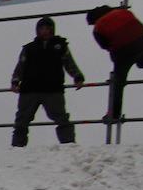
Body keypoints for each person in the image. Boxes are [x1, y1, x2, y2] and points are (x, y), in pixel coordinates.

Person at [9, 16, 86, 147]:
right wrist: (15, 82)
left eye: (47, 28)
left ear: (52, 29)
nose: (44, 31)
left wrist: (78, 77)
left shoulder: (60, 46)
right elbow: (20, 67)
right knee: (22, 119)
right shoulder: (29, 48)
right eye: (42, 29)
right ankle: (17, 147)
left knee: (61, 117)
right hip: (29, 89)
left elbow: (69, 63)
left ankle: (69, 146)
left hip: (53, 89)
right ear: (37, 30)